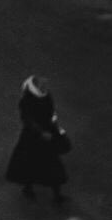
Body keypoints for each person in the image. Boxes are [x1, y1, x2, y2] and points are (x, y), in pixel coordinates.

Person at [5, 75, 70, 203]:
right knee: (31, 163)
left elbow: (50, 110)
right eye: (41, 85)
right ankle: (30, 188)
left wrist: (53, 121)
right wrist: (41, 132)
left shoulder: (45, 95)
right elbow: (28, 120)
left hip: (45, 133)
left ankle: (55, 194)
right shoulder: (26, 100)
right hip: (33, 138)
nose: (44, 87)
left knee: (48, 164)